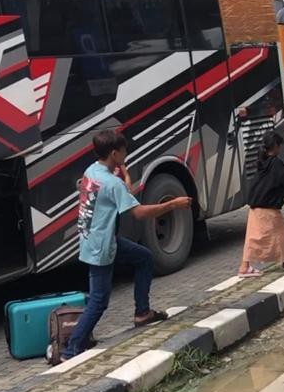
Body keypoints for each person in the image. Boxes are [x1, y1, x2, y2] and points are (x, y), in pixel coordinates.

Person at [61, 130, 193, 362]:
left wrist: (124, 174)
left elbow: (121, 194)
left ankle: (143, 313)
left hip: (94, 238)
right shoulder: (112, 183)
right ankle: (70, 350)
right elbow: (139, 213)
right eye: (124, 151)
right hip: (102, 245)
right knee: (99, 300)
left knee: (144, 257)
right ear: (114, 153)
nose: (126, 153)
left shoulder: (92, 171)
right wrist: (173, 204)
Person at [239, 133, 284, 278]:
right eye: (279, 145)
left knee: (253, 237)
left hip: (255, 206)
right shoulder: (276, 163)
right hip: (267, 206)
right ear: (275, 146)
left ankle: (244, 267)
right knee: (282, 231)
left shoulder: (262, 161)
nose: (280, 148)